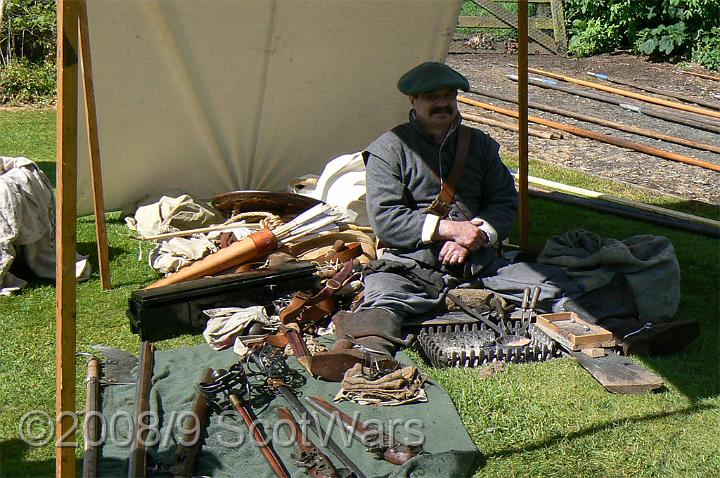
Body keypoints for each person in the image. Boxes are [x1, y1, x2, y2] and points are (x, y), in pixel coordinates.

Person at [331, 61, 518, 358]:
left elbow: (506, 202)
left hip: (479, 262)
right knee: (383, 300)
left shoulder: (480, 145)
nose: (442, 103)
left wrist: (477, 237)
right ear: (413, 101)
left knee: (548, 285)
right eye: (432, 97)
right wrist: (451, 229)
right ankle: (370, 359)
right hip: (411, 267)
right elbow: (386, 221)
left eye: (449, 95)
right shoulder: (388, 149)